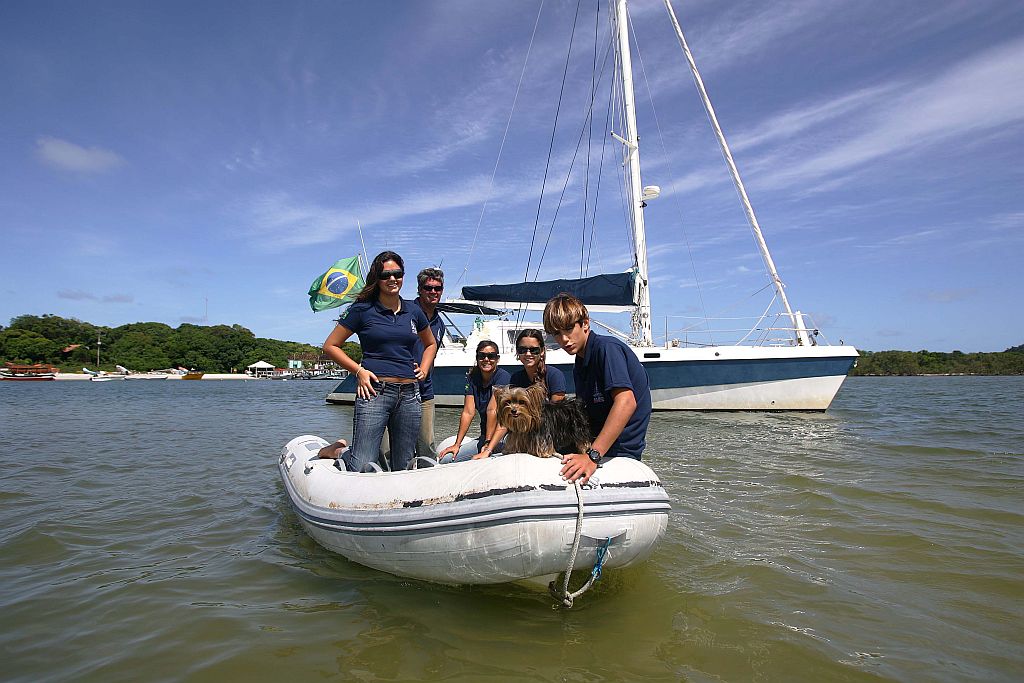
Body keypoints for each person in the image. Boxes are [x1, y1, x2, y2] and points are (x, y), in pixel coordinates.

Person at [321, 251, 437, 472]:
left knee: (403, 465)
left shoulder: (414, 311)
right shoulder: (362, 310)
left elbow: (430, 344)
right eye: (386, 275)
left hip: (410, 395)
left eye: (397, 274)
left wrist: (423, 368)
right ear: (377, 278)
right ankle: (339, 451)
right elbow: (330, 346)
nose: (392, 279)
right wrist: (359, 371)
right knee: (361, 464)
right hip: (375, 392)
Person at [543, 292, 651, 484]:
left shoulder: (606, 349)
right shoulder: (580, 362)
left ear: (585, 323)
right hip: (593, 442)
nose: (564, 339)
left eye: (569, 329)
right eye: (557, 333)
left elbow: (626, 402)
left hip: (620, 450)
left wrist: (592, 456)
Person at [473, 328, 566, 458]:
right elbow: (505, 421)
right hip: (523, 439)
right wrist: (488, 449)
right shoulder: (516, 378)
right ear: (517, 353)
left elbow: (556, 418)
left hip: (548, 440)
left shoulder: (554, 376)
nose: (528, 354)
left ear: (542, 351)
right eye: (523, 350)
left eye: (533, 350)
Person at [437, 340, 510, 463]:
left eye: (491, 356)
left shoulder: (503, 377)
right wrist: (457, 444)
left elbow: (492, 410)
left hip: (503, 436)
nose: (486, 359)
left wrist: (487, 445)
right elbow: (468, 412)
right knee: (447, 460)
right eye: (482, 356)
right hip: (485, 436)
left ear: (497, 359)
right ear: (477, 358)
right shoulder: (472, 378)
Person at [409, 267, 446, 460]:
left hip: (425, 391)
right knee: (389, 451)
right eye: (428, 288)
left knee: (427, 446)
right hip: (400, 387)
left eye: (437, 288)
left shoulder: (440, 324)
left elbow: (432, 355)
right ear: (419, 289)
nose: (433, 292)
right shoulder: (406, 312)